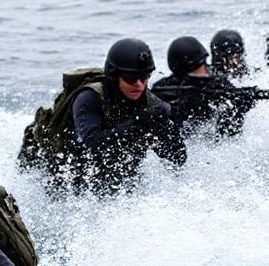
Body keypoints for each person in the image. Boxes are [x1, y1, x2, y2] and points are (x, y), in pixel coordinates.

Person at [18, 38, 186, 195]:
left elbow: (178, 158)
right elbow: (90, 143)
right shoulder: (90, 97)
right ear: (114, 75)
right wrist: (138, 123)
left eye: (144, 77)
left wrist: (165, 127)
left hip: (111, 178)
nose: (139, 85)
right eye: (131, 78)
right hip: (61, 170)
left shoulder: (151, 104)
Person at [151, 35, 255, 137]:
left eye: (205, 64)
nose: (205, 71)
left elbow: (226, 139)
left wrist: (238, 111)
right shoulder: (164, 90)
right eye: (200, 67)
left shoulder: (218, 83)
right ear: (183, 73)